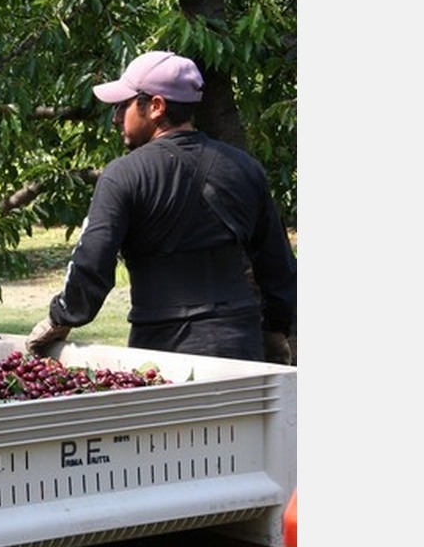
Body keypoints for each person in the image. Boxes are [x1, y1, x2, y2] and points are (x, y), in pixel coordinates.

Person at [25, 51, 296, 363]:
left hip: (161, 353)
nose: (115, 118)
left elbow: (91, 264)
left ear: (155, 106)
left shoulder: (123, 175)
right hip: (240, 346)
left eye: (122, 106)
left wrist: (60, 318)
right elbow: (279, 268)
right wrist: (276, 330)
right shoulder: (246, 169)